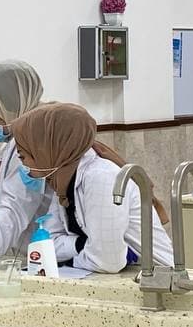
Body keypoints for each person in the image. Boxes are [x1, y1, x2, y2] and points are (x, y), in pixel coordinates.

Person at [10, 102, 172, 273]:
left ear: (46, 150)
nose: (24, 167)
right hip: (113, 276)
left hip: (154, 277)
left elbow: (107, 262)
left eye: (23, 157)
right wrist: (81, 244)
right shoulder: (63, 181)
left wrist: (73, 257)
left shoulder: (101, 178)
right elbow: (48, 244)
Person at [0, 60, 55, 269]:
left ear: (14, 108)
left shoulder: (36, 142)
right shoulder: (15, 142)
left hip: (44, 259)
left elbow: (14, 209)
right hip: (25, 256)